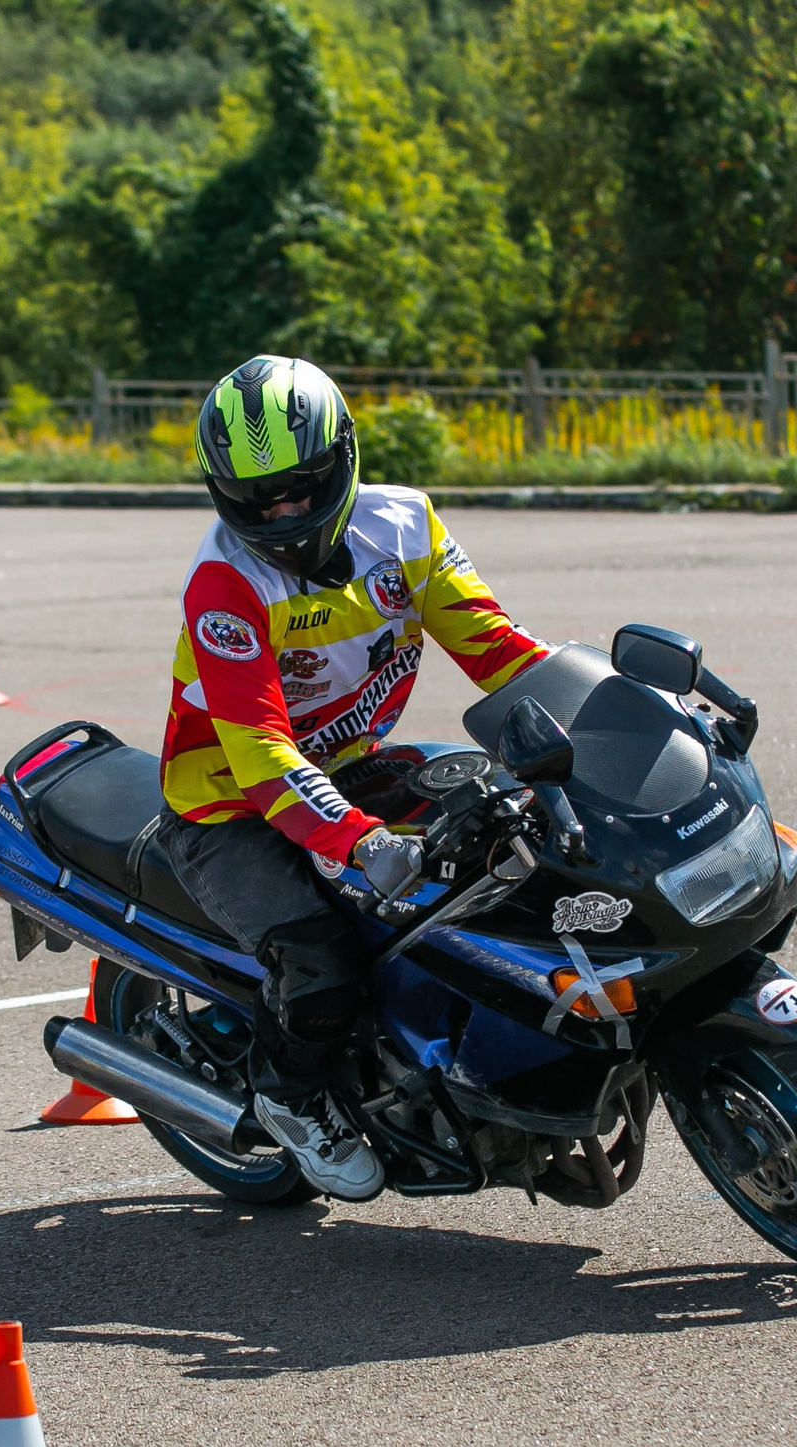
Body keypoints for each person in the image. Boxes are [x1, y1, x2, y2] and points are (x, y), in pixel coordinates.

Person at [158, 354, 551, 1200]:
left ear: (344, 458)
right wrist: (361, 840)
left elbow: (501, 650)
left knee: (512, 830)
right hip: (226, 805)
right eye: (259, 499)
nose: (285, 512)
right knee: (322, 962)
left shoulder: (405, 530)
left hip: (345, 765)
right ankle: (292, 1095)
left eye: (302, 486)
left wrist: (606, 713)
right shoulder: (225, 580)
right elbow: (261, 752)